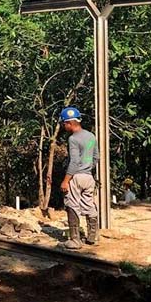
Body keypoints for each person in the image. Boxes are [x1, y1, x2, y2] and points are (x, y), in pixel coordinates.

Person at [59, 106, 99, 249]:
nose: (64, 126)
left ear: (69, 123)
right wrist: (86, 169)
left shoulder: (73, 139)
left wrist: (66, 180)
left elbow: (74, 161)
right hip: (88, 177)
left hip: (76, 176)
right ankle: (93, 237)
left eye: (64, 124)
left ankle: (75, 240)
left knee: (72, 204)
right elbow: (96, 158)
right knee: (89, 204)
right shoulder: (91, 136)